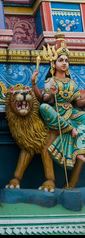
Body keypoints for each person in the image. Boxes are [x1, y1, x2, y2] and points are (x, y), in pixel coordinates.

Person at [31, 33, 85, 187]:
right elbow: (44, 99)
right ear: (53, 63)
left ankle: (79, 148)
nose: (64, 63)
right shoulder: (51, 81)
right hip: (57, 114)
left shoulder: (72, 82)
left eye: (66, 61)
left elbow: (78, 102)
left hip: (72, 113)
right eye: (60, 60)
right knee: (44, 108)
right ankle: (70, 129)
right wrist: (35, 85)